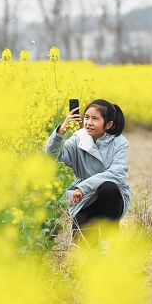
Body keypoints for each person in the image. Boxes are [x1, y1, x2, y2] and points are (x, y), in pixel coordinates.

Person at [44, 99, 131, 236]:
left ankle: (111, 237)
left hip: (109, 199)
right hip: (85, 199)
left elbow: (117, 173)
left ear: (108, 124)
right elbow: (51, 158)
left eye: (95, 119)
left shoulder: (119, 142)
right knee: (82, 249)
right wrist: (60, 132)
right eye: (86, 117)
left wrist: (82, 187)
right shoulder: (78, 139)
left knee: (109, 186)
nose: (89, 123)